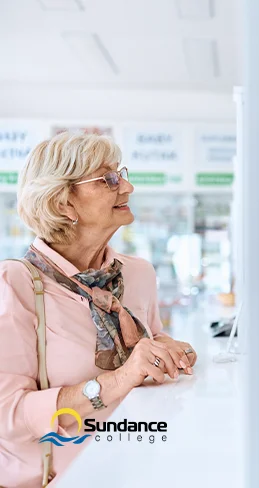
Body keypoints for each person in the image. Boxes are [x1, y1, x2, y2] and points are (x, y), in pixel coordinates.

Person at [0, 132, 198, 487]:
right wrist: (119, 380)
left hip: (137, 470)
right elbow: (7, 415)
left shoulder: (138, 274)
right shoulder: (14, 284)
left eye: (120, 173)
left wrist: (170, 350)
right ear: (63, 203)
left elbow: (147, 346)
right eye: (108, 179)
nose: (127, 187)